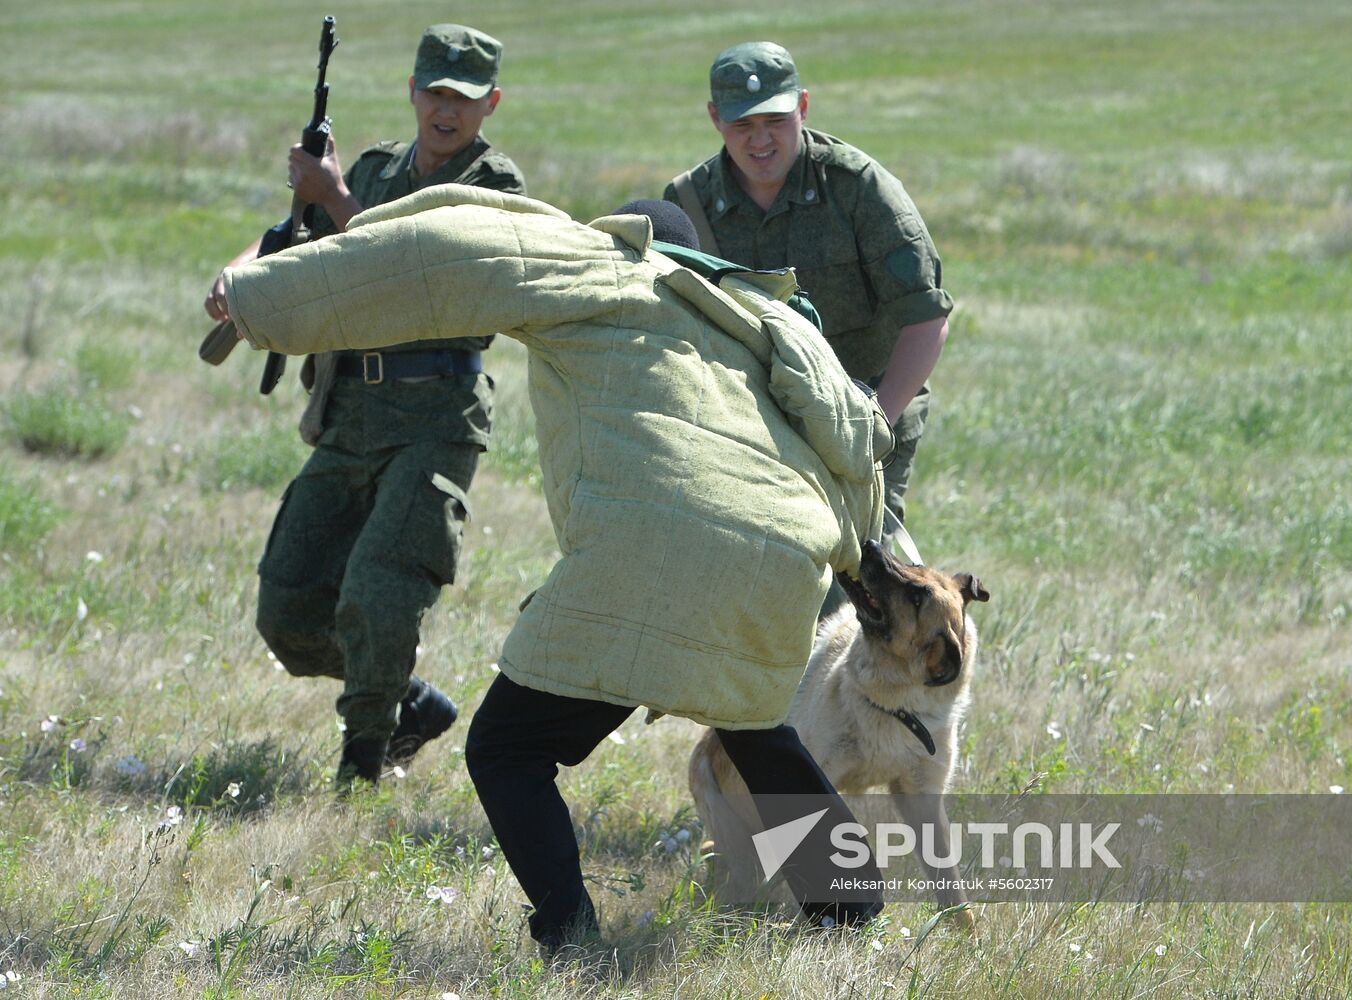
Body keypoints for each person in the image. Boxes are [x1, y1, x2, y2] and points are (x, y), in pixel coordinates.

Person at [219, 186, 893, 954]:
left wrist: (262, 294)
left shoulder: (604, 263)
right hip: (780, 558)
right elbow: (857, 438)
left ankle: (570, 937)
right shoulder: (761, 317)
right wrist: (858, 558)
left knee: (506, 749)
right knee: (748, 720)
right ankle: (851, 909)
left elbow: (447, 247)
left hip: (648, 545)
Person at [202, 25, 527, 786]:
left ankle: (361, 767)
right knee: (288, 608)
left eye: (465, 99)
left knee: (381, 593)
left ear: (491, 106)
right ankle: (405, 700)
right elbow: (301, 238)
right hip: (351, 407)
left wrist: (336, 197)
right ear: (413, 91)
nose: (447, 112)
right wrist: (242, 273)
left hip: (437, 414)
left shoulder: (494, 185)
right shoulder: (377, 166)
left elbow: (426, 281)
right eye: (436, 94)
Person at [664, 41, 953, 557]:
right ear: (714, 119)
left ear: (802, 107)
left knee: (865, 573)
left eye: (775, 119)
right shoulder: (691, 204)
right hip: (758, 421)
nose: (760, 140)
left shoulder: (858, 188)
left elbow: (926, 319)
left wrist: (871, 426)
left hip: (870, 410)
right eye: (742, 125)